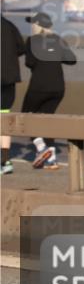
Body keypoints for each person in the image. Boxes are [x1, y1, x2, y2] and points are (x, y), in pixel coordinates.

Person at [21, 12, 76, 169]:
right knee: (47, 120)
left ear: (37, 25)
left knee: (26, 117)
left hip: (39, 86)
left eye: (33, 23)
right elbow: (71, 59)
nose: (31, 26)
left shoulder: (32, 40)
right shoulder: (58, 39)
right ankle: (52, 160)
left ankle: (41, 148)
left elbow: (29, 63)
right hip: (58, 88)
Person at [1, 14, 26, 174]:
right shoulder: (10, 26)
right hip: (9, 79)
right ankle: (5, 161)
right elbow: (21, 49)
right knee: (3, 118)